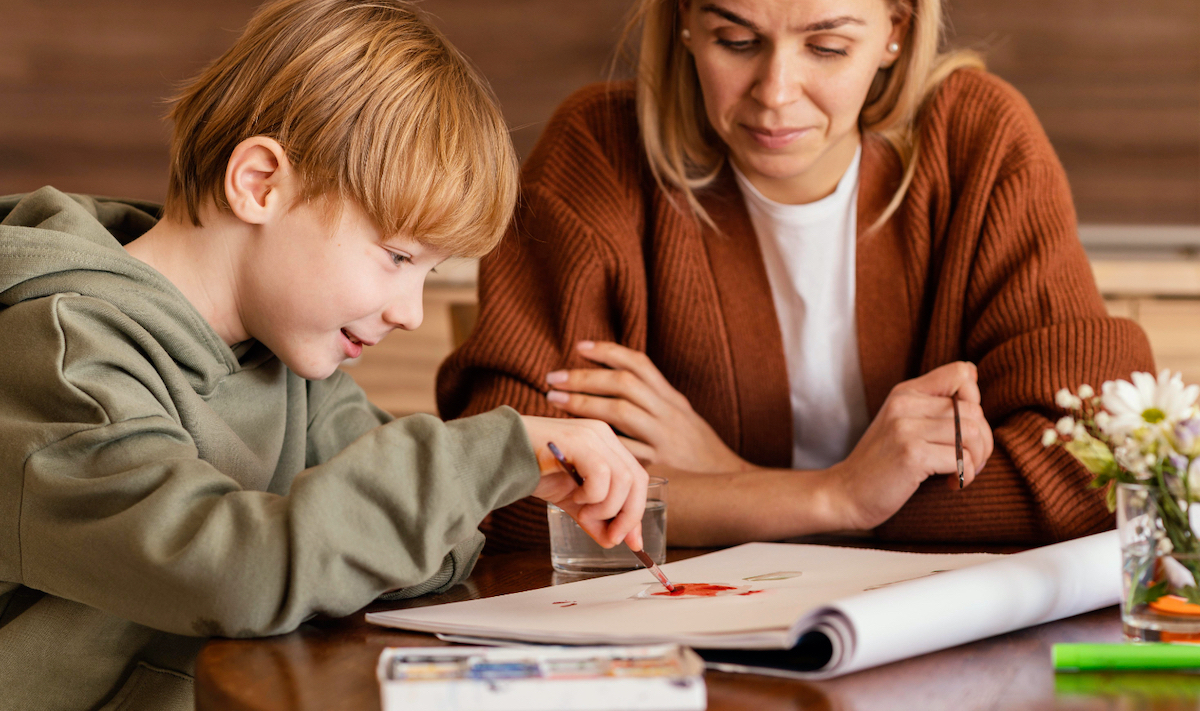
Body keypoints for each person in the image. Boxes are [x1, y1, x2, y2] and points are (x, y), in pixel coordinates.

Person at [0, 2, 649, 709]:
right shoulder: (59, 357)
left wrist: (410, 511)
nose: (410, 311)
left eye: (427, 272)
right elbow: (234, 573)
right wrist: (493, 455)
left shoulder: (291, 354)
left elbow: (439, 547)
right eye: (398, 256)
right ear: (260, 184)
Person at [436, 0, 1155, 553]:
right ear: (685, 22)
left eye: (828, 46)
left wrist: (720, 484)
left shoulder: (979, 143)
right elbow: (502, 494)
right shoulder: (597, 154)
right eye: (736, 40)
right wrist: (834, 498)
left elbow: (1091, 471)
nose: (776, 92)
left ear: (895, 32)